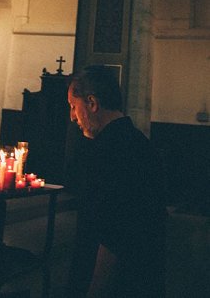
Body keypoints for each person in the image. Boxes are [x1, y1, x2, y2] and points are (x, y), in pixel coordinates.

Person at [66, 65, 167, 298]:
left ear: (92, 103)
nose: (72, 117)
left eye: (73, 106)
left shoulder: (109, 152)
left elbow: (111, 237)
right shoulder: (138, 142)